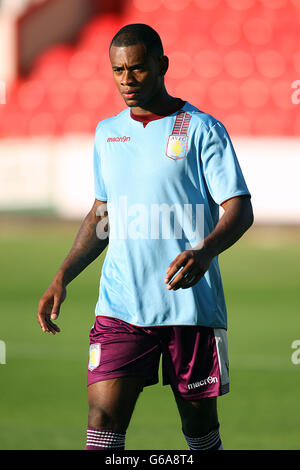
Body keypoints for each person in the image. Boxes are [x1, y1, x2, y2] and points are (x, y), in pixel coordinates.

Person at [37, 23, 254, 451]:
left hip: (191, 309)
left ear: (162, 65)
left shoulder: (202, 129)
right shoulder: (107, 133)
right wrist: (63, 274)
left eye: (137, 68)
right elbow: (104, 214)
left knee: (200, 430)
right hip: (121, 307)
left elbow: (240, 208)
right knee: (102, 423)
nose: (127, 80)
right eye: (118, 70)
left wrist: (206, 251)